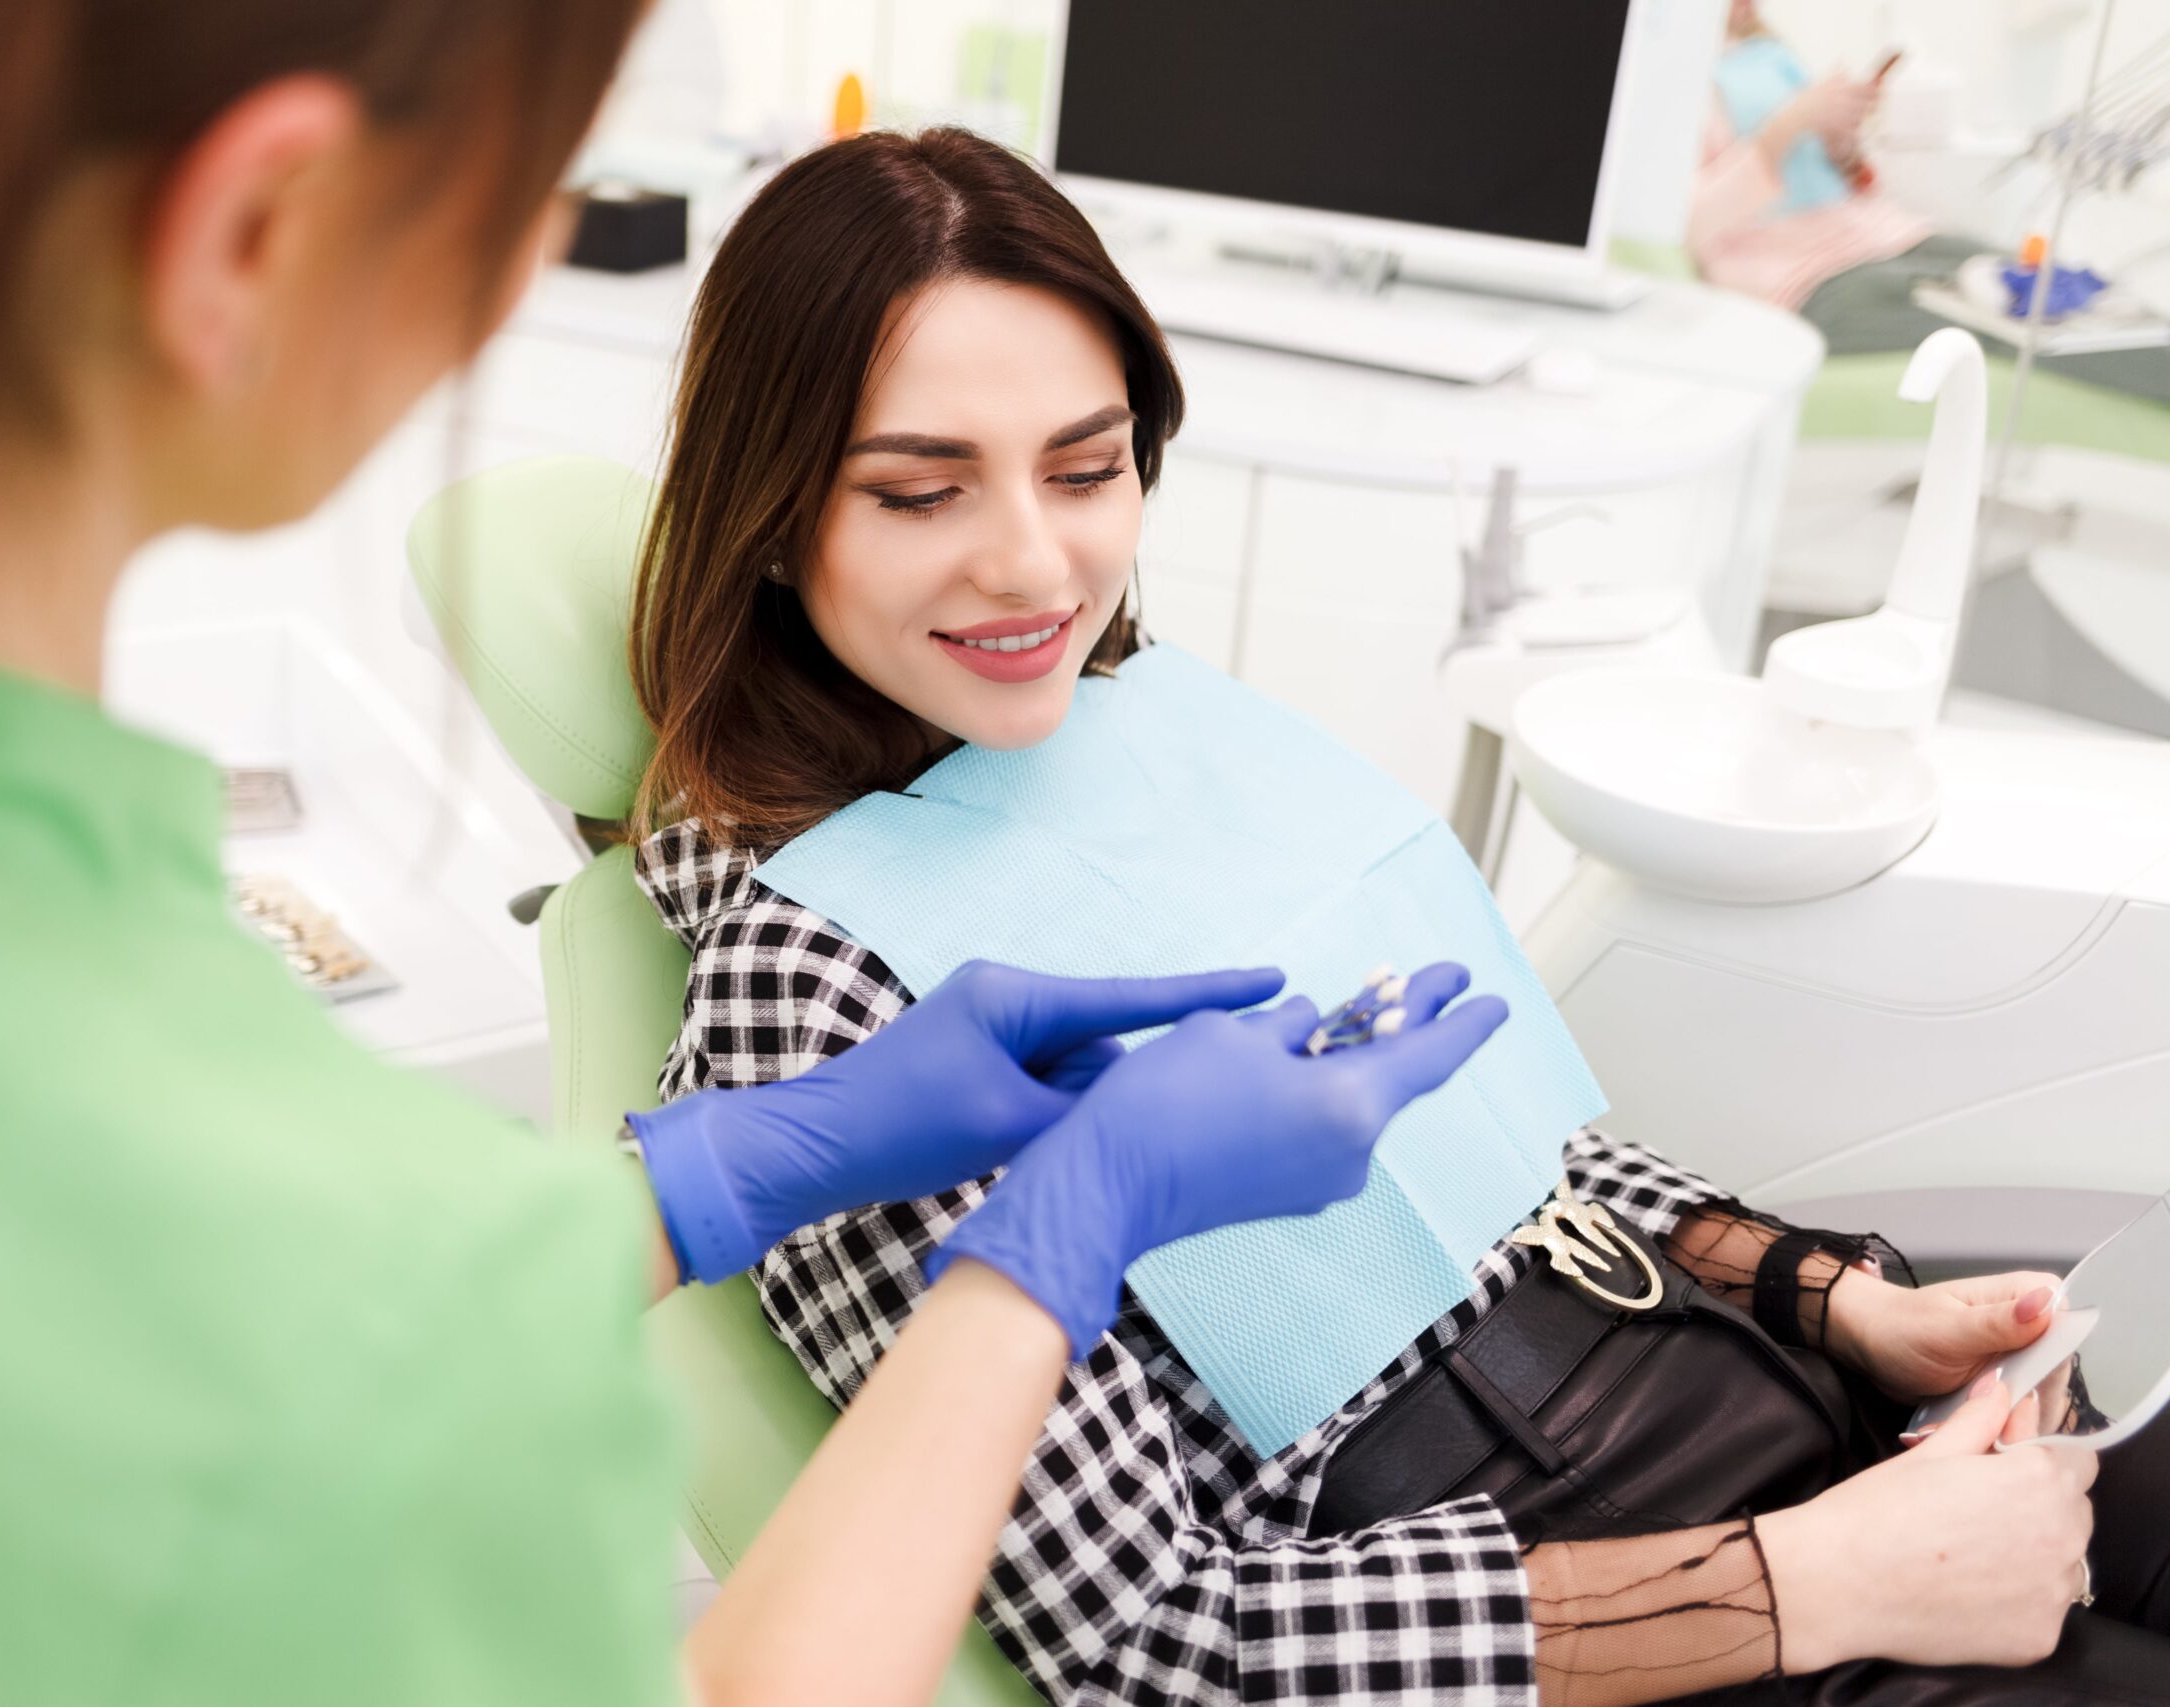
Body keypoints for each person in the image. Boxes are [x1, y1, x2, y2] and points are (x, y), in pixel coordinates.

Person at [0, 8, 1509, 1703]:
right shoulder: (365, 1280)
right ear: (258, 227)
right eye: (544, 184)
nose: (1031, 558)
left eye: (1089, 468)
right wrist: (1043, 1253)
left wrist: (693, 1185)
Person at [628, 125, 2170, 1706]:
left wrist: (1838, 1299)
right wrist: (1819, 1582)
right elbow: (1153, 1641)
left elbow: (1504, 1133)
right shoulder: (811, 985)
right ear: (768, 513)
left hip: (1768, 1396)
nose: (1034, 563)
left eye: (1087, 469)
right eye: (917, 492)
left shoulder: (1158, 726)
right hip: (1565, 1591)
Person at [1697, 1, 2170, 403]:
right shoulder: (1678, 88)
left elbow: (1840, 179)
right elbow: (1688, 226)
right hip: (1810, 281)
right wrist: (1784, 130)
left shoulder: (1769, 57)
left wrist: (1839, 141)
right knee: (2001, 322)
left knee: (2057, 285)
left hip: (1889, 236)